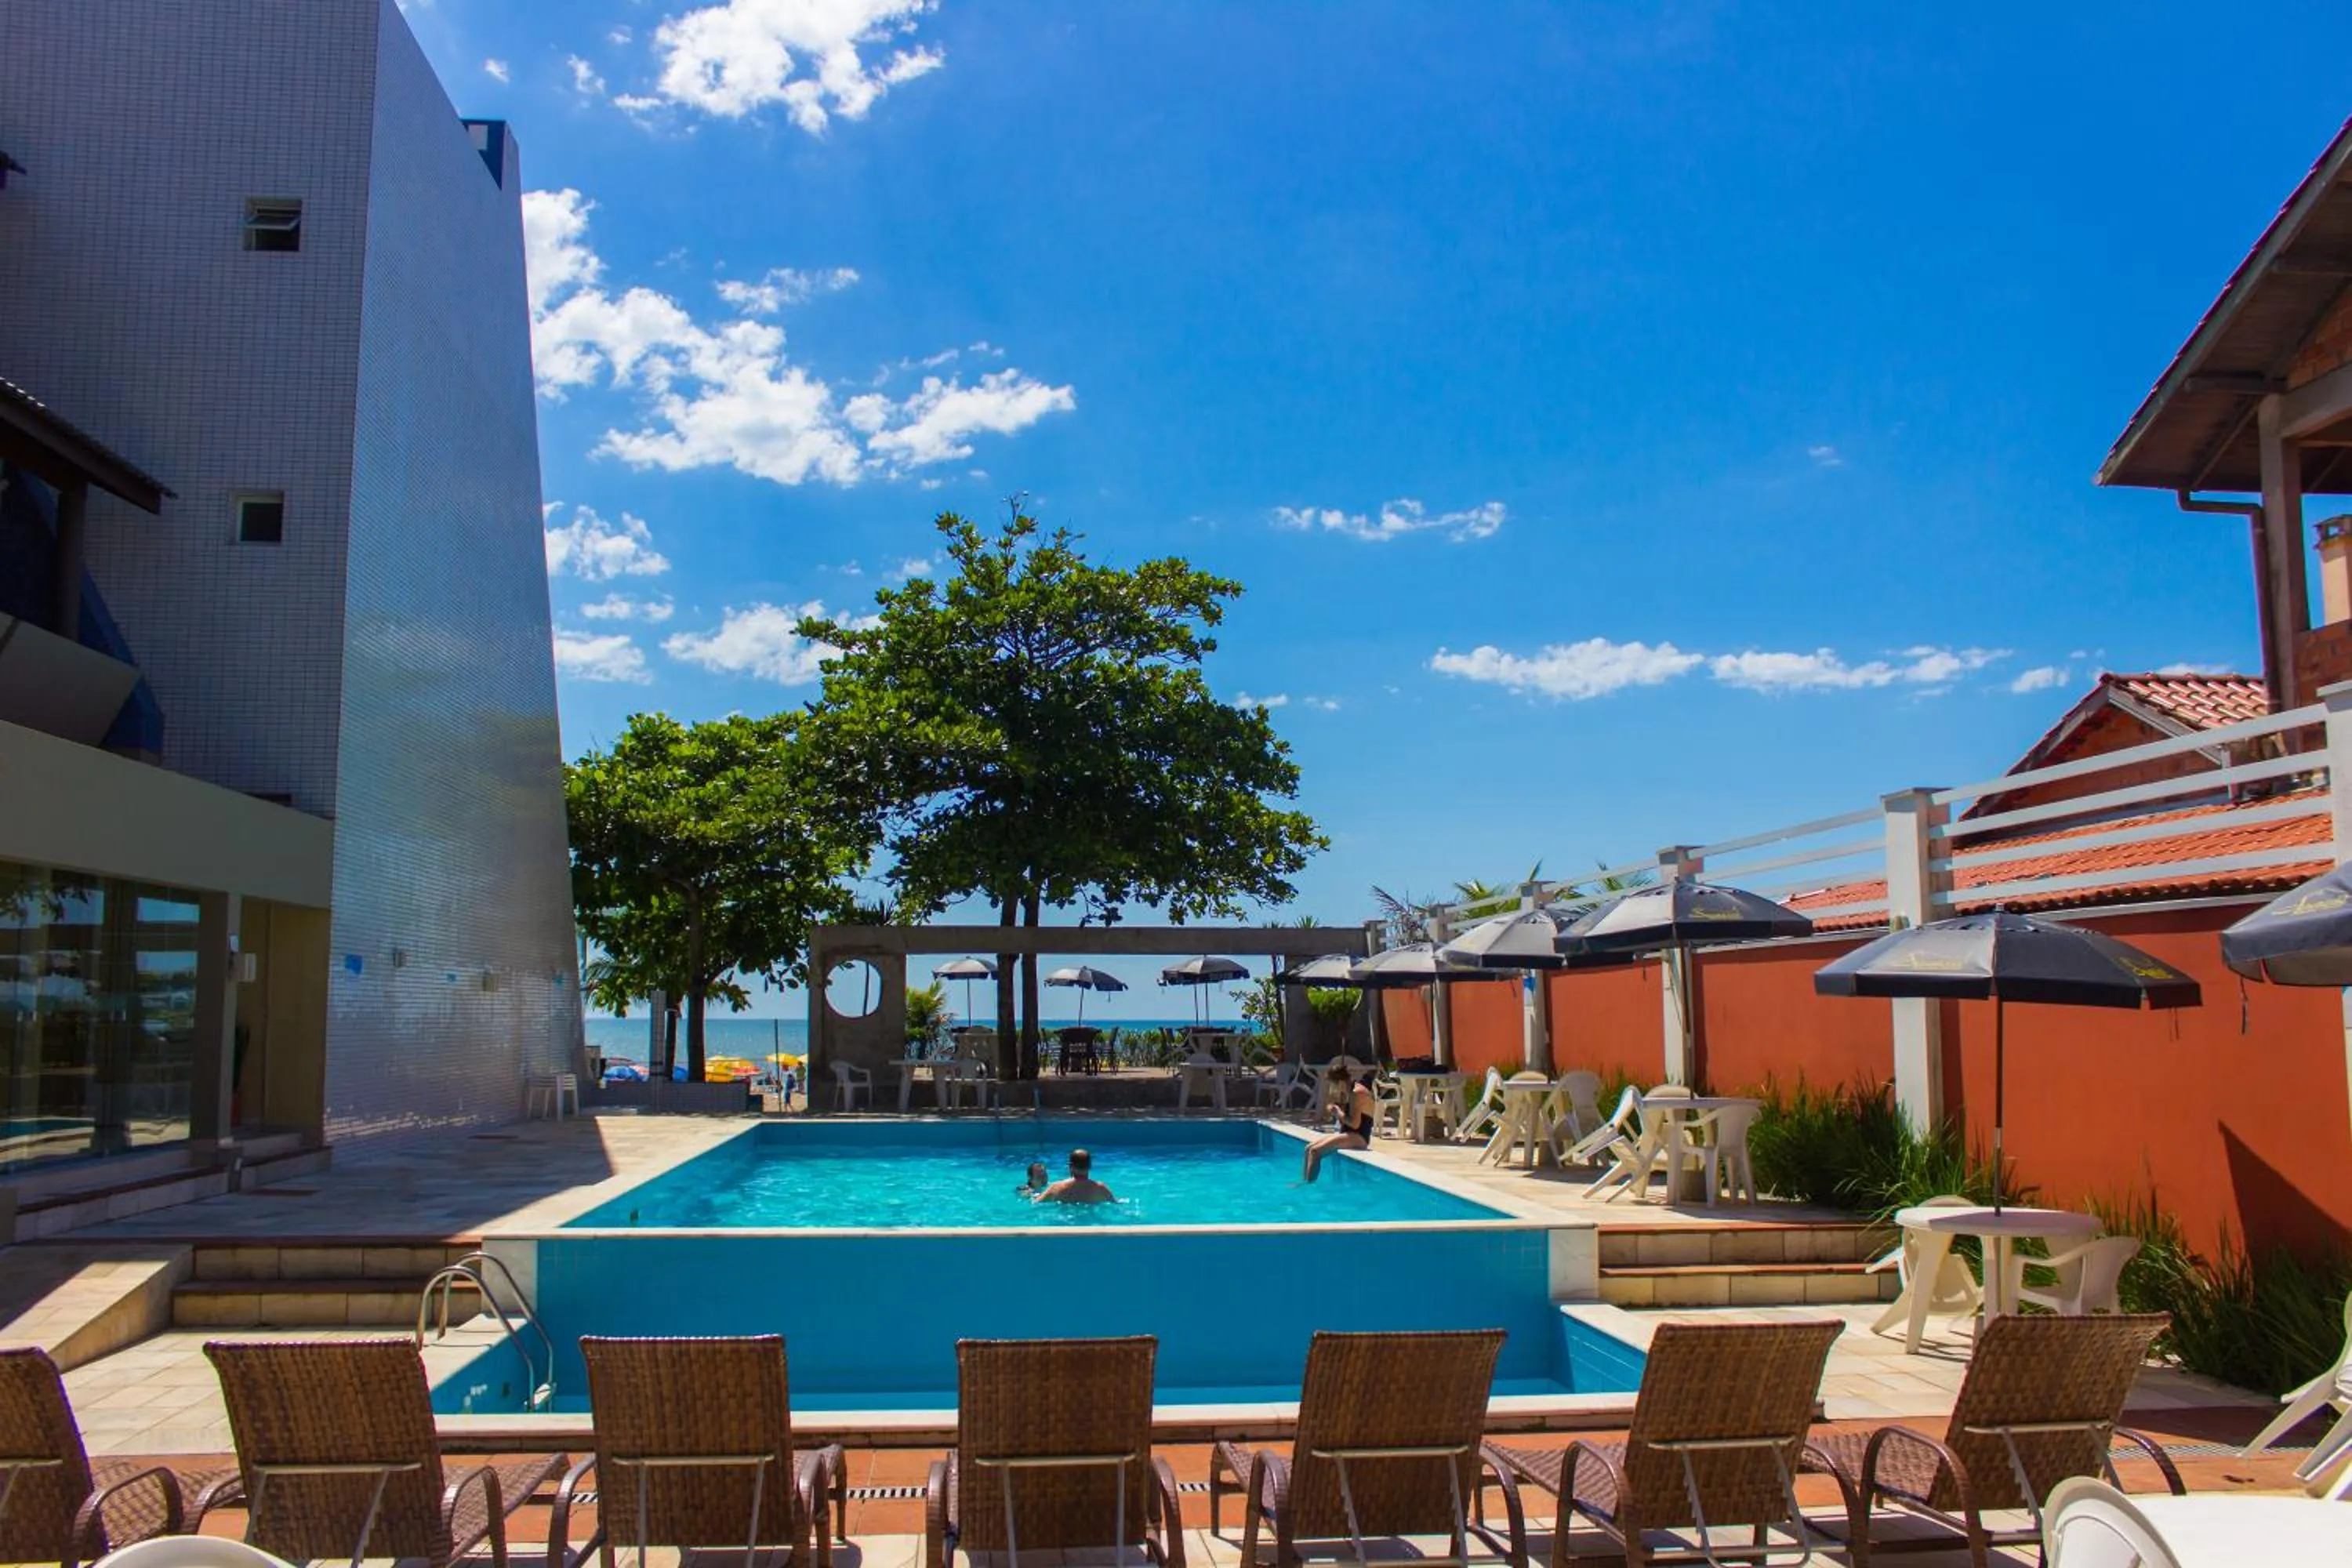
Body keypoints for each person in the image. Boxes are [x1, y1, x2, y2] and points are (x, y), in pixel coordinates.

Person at [1302, 1063, 1376, 1181]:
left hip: (1359, 1137)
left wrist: (1337, 1112)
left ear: (1341, 1082)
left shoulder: (1357, 1093)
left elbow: (1355, 1124)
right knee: (1308, 1149)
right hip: (1350, 1134)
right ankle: (1304, 1181)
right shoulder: (1349, 1091)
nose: (1333, 1089)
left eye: (1333, 1085)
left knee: (1315, 1152)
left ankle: (1309, 1187)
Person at [1033, 1149, 1115, 1204]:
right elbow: (1117, 1203)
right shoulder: (1100, 1188)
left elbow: (1036, 1203)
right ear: (1090, 1166)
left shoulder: (1056, 1187)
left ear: (1070, 1167)